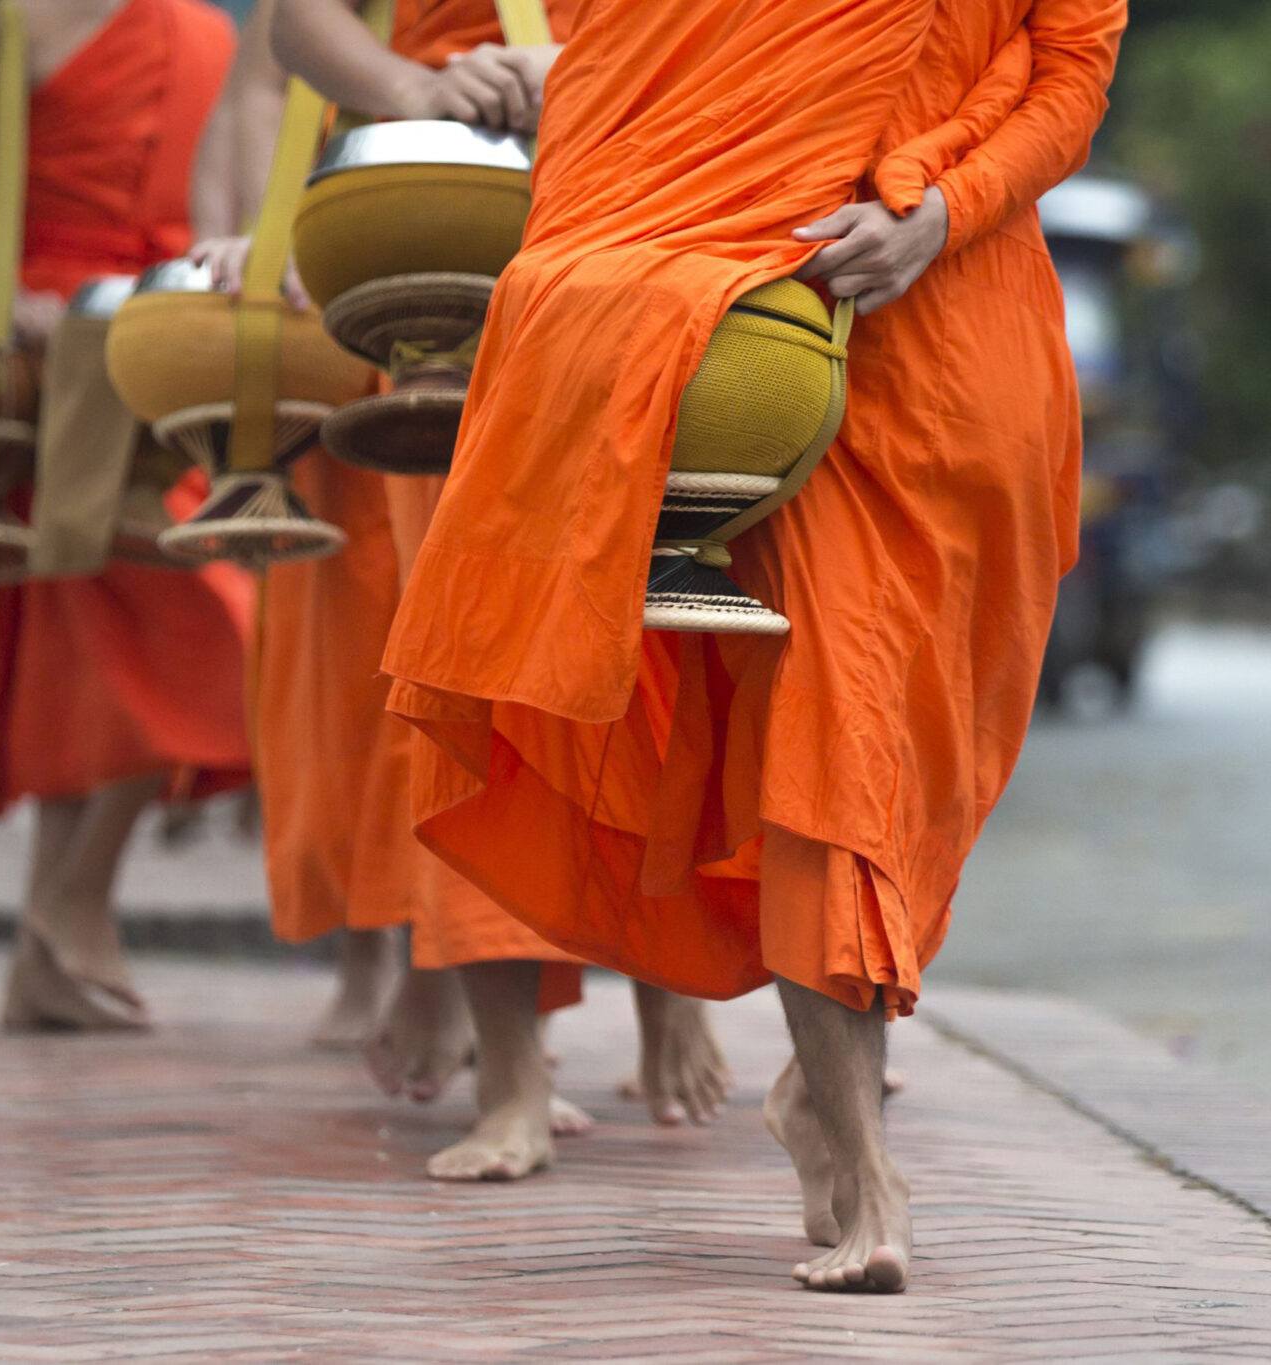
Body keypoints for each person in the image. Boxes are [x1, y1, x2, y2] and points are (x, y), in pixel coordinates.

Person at [380, 0, 1122, 1284]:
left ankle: (817, 1095)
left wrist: (943, 211)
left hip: (960, 319)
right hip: (757, 306)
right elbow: (612, 56)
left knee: (917, 758)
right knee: (830, 733)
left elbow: (1067, 73)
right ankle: (862, 1163)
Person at [197, 0, 731, 1181]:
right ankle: (511, 1075)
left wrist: (578, 70)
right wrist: (411, 91)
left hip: (624, 226)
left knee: (638, 650)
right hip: (427, 240)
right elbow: (293, 31)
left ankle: (669, 980)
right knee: (465, 661)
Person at [0, 0, 253, 1032]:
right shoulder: (3, 31)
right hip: (55, 351)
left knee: (205, 635)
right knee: (85, 662)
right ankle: (55, 931)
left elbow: (223, 191)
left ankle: (58, 922)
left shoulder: (208, 34)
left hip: (167, 340)